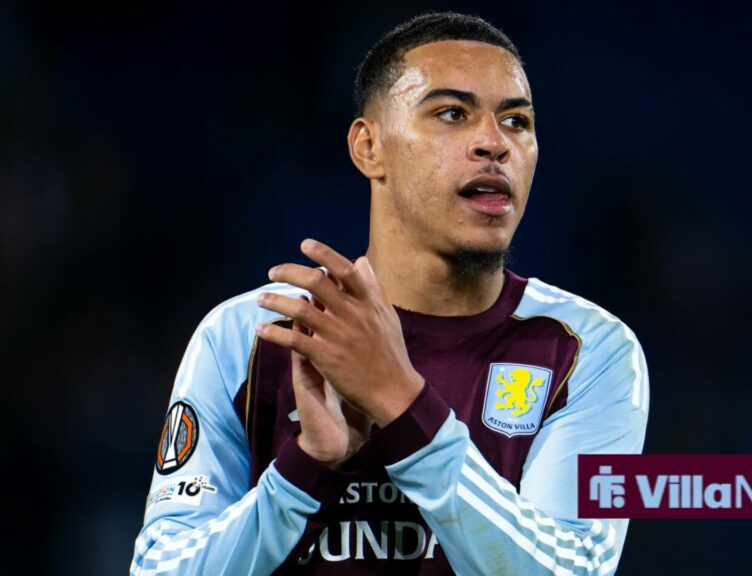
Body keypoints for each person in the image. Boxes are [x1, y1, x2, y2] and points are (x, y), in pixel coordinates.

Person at [131, 12, 649, 575]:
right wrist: (301, 472)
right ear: (369, 146)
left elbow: (570, 570)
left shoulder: (588, 351)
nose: (493, 143)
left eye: (517, 121)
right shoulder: (249, 334)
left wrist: (402, 405)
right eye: (452, 114)